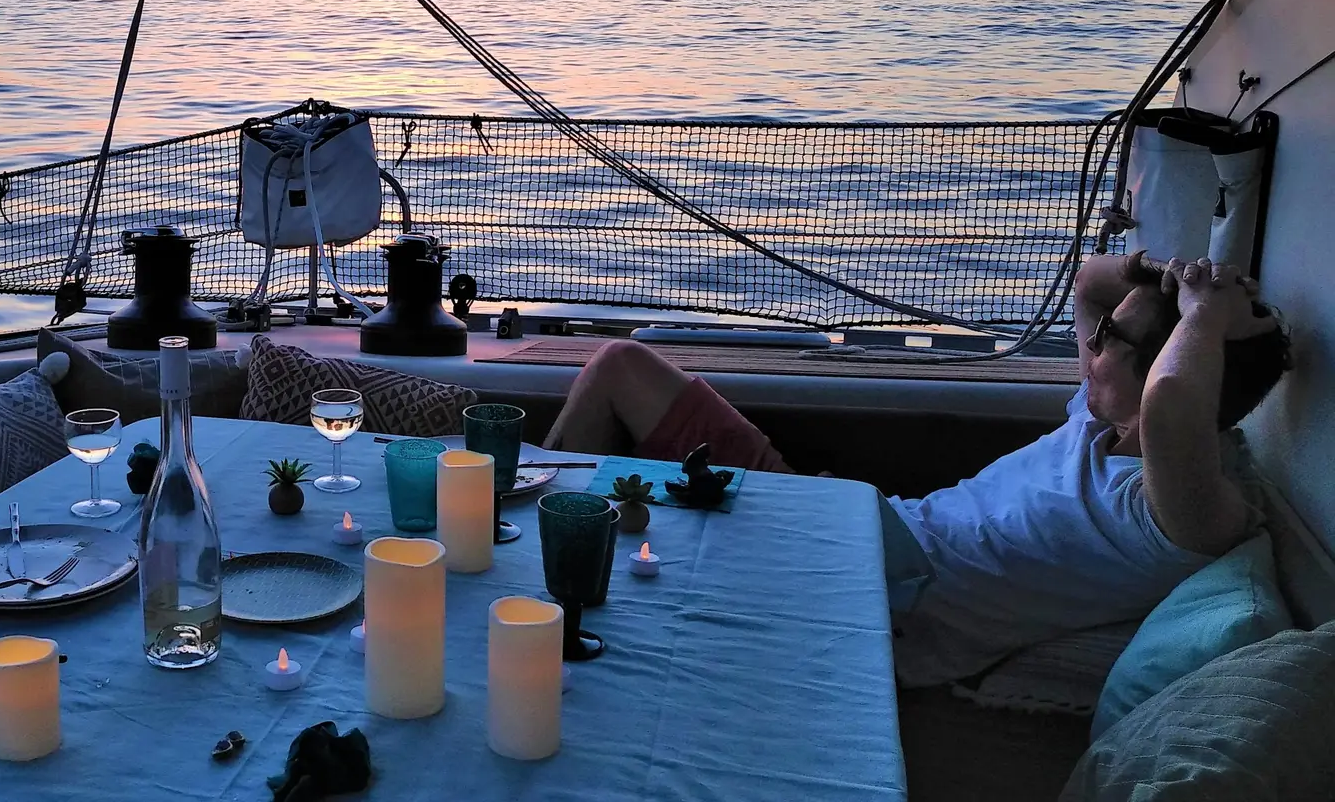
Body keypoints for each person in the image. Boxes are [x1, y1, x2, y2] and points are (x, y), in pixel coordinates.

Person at [542, 252, 1292, 685]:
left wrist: (1203, 317)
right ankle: (529, 516)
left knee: (607, 597)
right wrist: (1158, 274)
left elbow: (1171, 405)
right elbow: (1092, 287)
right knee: (620, 366)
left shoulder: (1180, 512)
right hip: (837, 524)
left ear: (1172, 366)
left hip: (866, 604)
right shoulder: (1098, 422)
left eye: (1110, 340)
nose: (1089, 343)